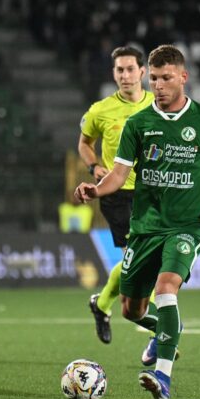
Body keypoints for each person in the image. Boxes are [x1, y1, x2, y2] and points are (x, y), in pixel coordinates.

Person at [74, 44, 200, 399]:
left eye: (166, 78)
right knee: (131, 310)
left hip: (187, 225)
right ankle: (167, 329)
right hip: (145, 227)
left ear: (183, 77)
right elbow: (119, 174)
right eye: (155, 78)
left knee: (166, 287)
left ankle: (163, 377)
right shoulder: (138, 124)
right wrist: (95, 190)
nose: (158, 85)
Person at [76, 46, 153, 345]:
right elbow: (84, 143)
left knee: (144, 260)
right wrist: (94, 167)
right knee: (140, 258)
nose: (125, 75)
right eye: (120, 70)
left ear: (142, 72)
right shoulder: (101, 110)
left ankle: (102, 303)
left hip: (152, 192)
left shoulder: (156, 105)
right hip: (117, 193)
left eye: (130, 69)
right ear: (113, 73)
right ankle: (156, 330)